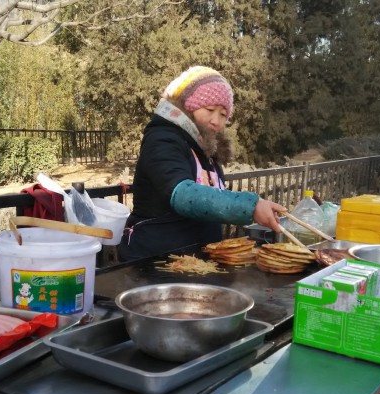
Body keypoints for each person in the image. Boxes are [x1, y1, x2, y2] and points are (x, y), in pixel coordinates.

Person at [118, 66, 285, 261]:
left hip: (196, 262)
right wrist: (249, 207)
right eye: (210, 109)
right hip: (153, 262)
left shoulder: (206, 150)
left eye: (223, 114)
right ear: (188, 106)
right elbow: (183, 194)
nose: (216, 121)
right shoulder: (162, 139)